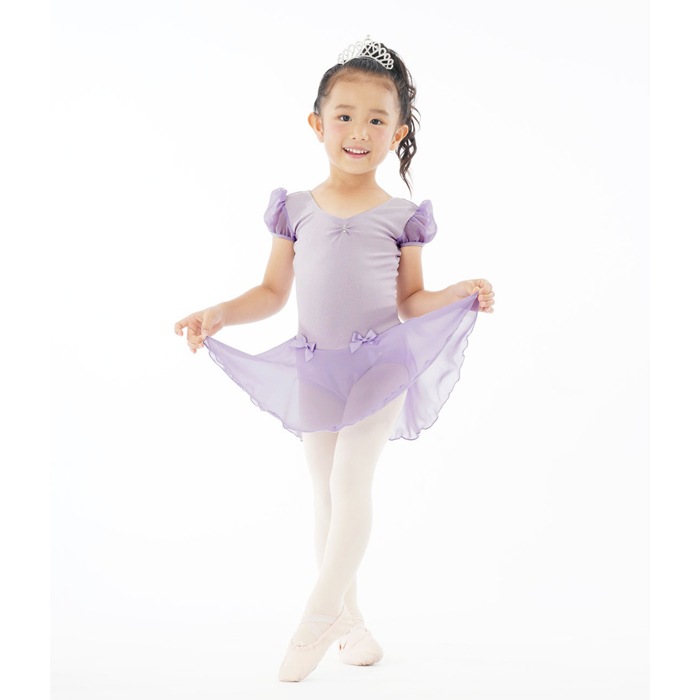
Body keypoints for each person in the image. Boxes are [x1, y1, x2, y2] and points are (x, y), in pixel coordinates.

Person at [174, 36, 495, 682]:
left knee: (350, 480)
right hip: (315, 365)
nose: (359, 131)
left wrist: (455, 293)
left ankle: (317, 615)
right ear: (317, 123)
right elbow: (272, 292)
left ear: (397, 133)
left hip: (381, 365)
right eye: (344, 116)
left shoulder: (402, 216)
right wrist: (220, 312)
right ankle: (353, 628)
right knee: (324, 494)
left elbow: (411, 301)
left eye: (377, 120)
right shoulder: (294, 210)